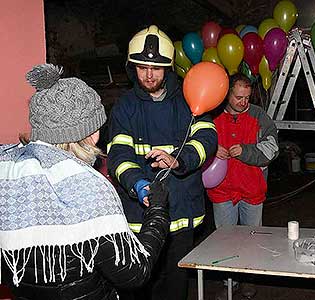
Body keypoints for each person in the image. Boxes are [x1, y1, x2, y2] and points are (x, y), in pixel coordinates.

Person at [0, 63, 170, 300]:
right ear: (89, 133)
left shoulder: (8, 173)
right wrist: (159, 211)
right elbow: (133, 273)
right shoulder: (89, 189)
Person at [107, 25, 217, 300]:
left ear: (168, 67)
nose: (148, 74)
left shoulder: (189, 97)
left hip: (182, 211)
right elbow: (119, 156)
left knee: (176, 284)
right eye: (142, 67)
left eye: (156, 68)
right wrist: (137, 184)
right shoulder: (125, 107)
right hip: (140, 215)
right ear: (133, 67)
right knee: (143, 284)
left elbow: (207, 137)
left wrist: (179, 160)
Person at [206, 73, 279, 299]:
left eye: (247, 97)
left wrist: (246, 151)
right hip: (222, 192)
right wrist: (210, 149)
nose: (244, 102)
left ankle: (248, 279)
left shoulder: (259, 116)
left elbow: (272, 148)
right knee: (225, 242)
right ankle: (229, 282)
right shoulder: (211, 116)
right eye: (238, 97)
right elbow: (193, 145)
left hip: (252, 191)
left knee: (252, 240)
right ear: (227, 94)